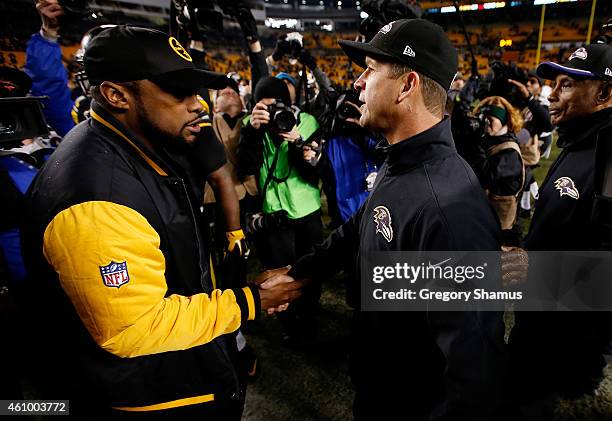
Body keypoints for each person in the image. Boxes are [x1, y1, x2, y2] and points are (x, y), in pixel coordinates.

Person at [20, 26, 303, 418]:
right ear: (116, 95)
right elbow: (134, 328)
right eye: (177, 91)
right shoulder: (96, 199)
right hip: (150, 396)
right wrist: (250, 301)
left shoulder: (134, 144)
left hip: (180, 371)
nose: (197, 104)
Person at [261, 19, 506, 419]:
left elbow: (475, 366)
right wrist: (302, 273)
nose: (358, 83)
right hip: (381, 379)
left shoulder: (450, 209)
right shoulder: (402, 159)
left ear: (407, 85)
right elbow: (360, 225)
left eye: (370, 71)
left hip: (408, 403)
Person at [508, 43, 612, 420]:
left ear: (604, 93)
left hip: (558, 335)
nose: (550, 94)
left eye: (566, 85)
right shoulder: (581, 139)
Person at [238, 76, 324, 344]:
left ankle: (310, 315)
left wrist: (298, 141)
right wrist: (253, 131)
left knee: (312, 271)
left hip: (307, 210)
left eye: (277, 106)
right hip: (275, 214)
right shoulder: (250, 126)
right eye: (265, 107)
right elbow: (244, 168)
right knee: (280, 273)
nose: (273, 113)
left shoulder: (307, 122)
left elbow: (316, 172)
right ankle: (291, 324)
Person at [472, 96, 525, 245]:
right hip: (483, 216)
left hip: (501, 225)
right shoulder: (491, 139)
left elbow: (485, 176)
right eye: (483, 119)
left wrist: (474, 144)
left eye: (491, 120)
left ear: (504, 121)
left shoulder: (509, 151)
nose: (486, 124)